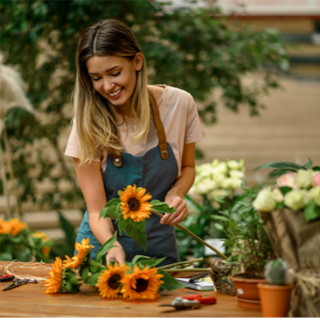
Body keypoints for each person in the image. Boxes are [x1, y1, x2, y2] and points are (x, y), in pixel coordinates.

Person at [65, 19, 202, 266]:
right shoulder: (87, 122)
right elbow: (96, 210)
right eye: (96, 78)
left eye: (115, 73)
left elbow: (188, 168)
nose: (107, 86)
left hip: (158, 247)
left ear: (137, 62)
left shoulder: (180, 104)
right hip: (102, 249)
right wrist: (111, 245)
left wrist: (177, 193)